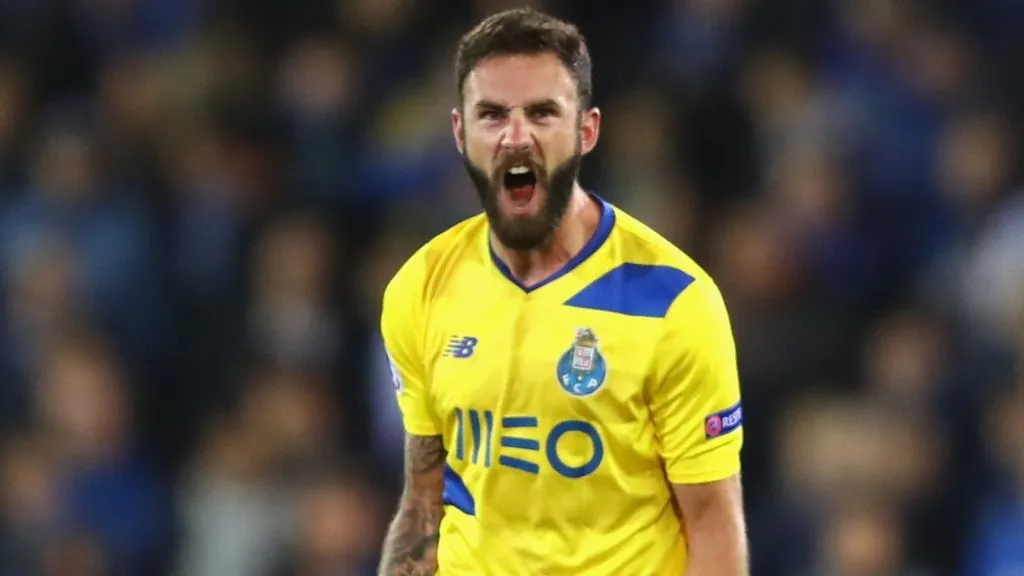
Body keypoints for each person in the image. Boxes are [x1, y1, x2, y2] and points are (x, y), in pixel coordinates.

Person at [377, 7, 748, 575]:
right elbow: (425, 502)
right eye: (493, 115)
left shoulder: (674, 301)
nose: (516, 136)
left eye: (543, 113)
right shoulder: (421, 288)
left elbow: (713, 523)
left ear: (587, 130)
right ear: (460, 132)